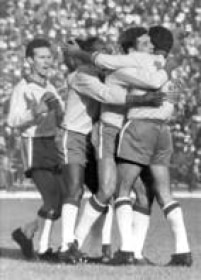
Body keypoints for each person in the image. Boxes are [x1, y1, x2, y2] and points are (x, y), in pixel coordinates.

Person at [64, 27, 171, 264]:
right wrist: (167, 70)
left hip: (127, 131)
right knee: (107, 189)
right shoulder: (122, 68)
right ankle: (75, 243)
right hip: (109, 130)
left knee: (142, 193)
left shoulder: (135, 64)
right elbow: (147, 83)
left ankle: (134, 253)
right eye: (145, 43)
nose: (150, 47)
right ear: (131, 49)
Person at [112, 26, 192, 266]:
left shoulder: (146, 63)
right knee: (163, 192)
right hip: (163, 130)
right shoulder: (175, 70)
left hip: (140, 125)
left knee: (122, 188)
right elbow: (174, 100)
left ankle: (126, 250)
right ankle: (183, 250)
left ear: (152, 45)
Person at [7, 38, 65, 261]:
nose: (46, 61)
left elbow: (59, 119)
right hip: (33, 145)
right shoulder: (22, 88)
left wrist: (60, 113)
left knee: (63, 202)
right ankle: (44, 249)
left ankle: (25, 232)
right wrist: (35, 111)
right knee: (51, 200)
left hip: (52, 145)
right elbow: (12, 120)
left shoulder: (50, 86)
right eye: (41, 57)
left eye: (49, 56)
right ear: (30, 60)